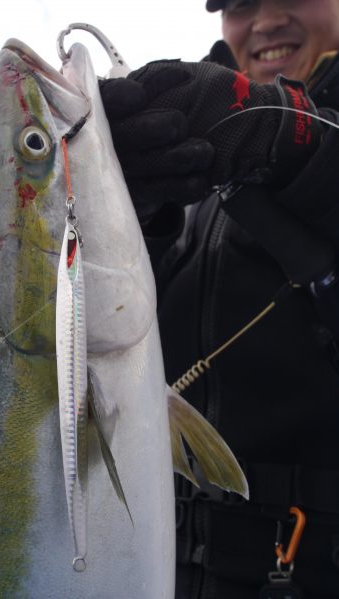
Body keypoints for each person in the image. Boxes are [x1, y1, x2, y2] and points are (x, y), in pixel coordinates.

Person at [99, 1, 339, 597]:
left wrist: (304, 148)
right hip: (159, 563)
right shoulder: (198, 169)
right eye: (240, 4)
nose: (264, 21)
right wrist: (134, 224)